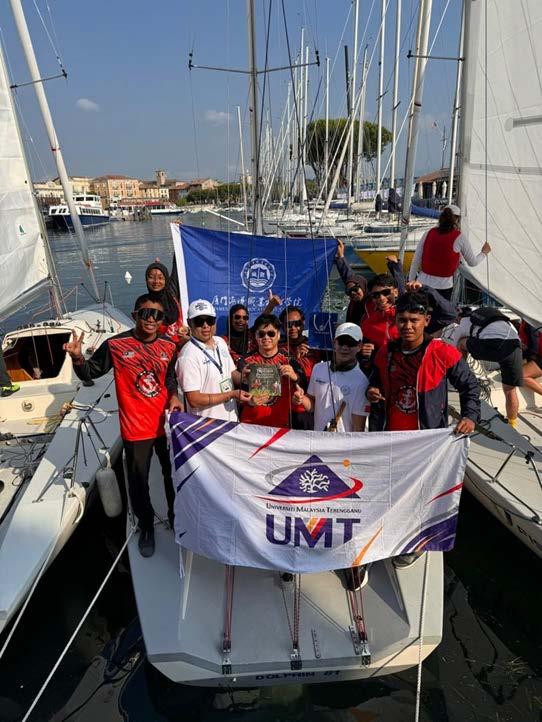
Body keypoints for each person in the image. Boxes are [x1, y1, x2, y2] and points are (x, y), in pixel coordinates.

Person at [64, 294, 183, 558]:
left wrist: (174, 395)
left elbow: (170, 378)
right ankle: (146, 525)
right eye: (146, 313)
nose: (151, 319)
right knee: (139, 483)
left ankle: (176, 518)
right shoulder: (116, 344)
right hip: (136, 428)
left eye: (157, 315)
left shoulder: (169, 345)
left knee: (171, 475)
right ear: (135, 314)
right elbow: (90, 373)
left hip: (165, 424)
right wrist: (78, 359)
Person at [367, 292, 480, 566]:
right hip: (391, 438)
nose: (407, 326)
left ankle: (417, 543)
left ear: (426, 320)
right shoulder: (386, 352)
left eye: (414, 320)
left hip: (426, 441)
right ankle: (390, 535)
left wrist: (470, 416)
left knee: (422, 495)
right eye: (402, 320)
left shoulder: (442, 351)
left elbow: (470, 385)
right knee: (393, 492)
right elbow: (374, 381)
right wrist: (372, 391)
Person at [292, 322, 370, 592]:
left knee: (345, 511)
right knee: (315, 504)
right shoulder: (318, 369)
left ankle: (353, 562)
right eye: (341, 342)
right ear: (334, 343)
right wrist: (301, 399)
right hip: (317, 449)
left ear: (359, 347)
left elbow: (358, 427)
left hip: (344, 456)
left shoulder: (361, 381)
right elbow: (311, 404)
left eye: (351, 343)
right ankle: (314, 549)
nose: (345, 347)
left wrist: (355, 462)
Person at [177, 299, 251, 420]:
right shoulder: (187, 355)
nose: (206, 325)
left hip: (231, 420)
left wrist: (244, 377)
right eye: (199, 321)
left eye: (210, 320)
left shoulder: (221, 342)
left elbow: (232, 373)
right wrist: (231, 394)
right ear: (190, 323)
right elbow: (194, 399)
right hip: (206, 426)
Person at [450, 307, 523, 427]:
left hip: (494, 345)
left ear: (459, 318)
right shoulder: (499, 320)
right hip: (514, 346)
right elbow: (514, 334)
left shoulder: (464, 322)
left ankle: (461, 376)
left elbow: (453, 349)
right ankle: (512, 424)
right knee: (510, 390)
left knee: (461, 343)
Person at [235, 314, 304, 429]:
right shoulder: (244, 362)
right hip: (249, 426)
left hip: (280, 426)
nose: (266, 337)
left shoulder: (289, 360)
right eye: (261, 334)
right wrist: (249, 401)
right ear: (256, 336)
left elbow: (304, 386)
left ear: (278, 335)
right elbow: (235, 394)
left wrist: (295, 377)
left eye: (271, 333)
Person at [408, 205, 491, 299]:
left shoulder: (428, 233)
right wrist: (484, 253)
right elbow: (473, 262)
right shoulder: (460, 238)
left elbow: (416, 260)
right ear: (457, 220)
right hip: (443, 287)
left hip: (422, 283)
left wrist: (411, 281)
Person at [279, 305, 321, 429]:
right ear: (283, 326)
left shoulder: (316, 346)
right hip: (285, 409)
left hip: (309, 408)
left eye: (296, 323)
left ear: (303, 323)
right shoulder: (278, 348)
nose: (293, 328)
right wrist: (296, 359)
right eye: (288, 324)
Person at [145, 261, 189, 346]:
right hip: (160, 349)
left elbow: (178, 265)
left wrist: (187, 331)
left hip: (182, 346)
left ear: (166, 279)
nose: (156, 281)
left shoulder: (172, 294)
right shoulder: (144, 304)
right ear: (146, 280)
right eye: (151, 277)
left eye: (160, 278)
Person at [360, 273, 400, 359]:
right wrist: (364, 351)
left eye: (386, 292)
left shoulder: (409, 317)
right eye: (376, 295)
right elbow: (364, 349)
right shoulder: (367, 324)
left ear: (396, 292)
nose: (381, 298)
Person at [335, 239, 368, 326]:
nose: (352, 293)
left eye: (355, 289)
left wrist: (395, 267)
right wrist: (340, 256)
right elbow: (348, 276)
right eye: (348, 292)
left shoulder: (372, 303)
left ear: (363, 286)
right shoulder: (354, 302)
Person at [519, 320, 542, 403]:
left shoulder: (530, 320)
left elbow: (534, 340)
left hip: (538, 355)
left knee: (520, 375)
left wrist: (531, 355)